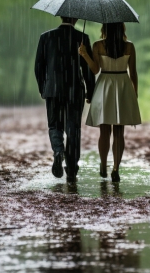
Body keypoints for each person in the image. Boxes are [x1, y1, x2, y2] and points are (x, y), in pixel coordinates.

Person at [35, 16, 96, 182]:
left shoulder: (46, 37)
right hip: (75, 91)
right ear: (76, 18)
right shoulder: (82, 38)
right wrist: (90, 91)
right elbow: (88, 70)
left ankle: (57, 151)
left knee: (54, 125)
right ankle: (71, 167)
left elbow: (39, 67)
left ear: (60, 16)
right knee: (73, 129)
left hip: (52, 89)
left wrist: (44, 88)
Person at [78, 22, 141, 182]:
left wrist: (84, 54)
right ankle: (116, 168)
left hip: (104, 86)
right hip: (123, 87)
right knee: (119, 132)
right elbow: (133, 73)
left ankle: (104, 165)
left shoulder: (98, 45)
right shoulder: (129, 46)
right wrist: (135, 94)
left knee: (104, 131)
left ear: (104, 28)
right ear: (122, 28)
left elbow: (95, 70)